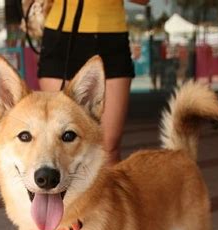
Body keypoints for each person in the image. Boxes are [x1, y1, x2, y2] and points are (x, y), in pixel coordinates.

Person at [38, 0, 148, 164]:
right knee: (55, 141)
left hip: (110, 36)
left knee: (108, 147)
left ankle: (106, 191)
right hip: (60, 35)